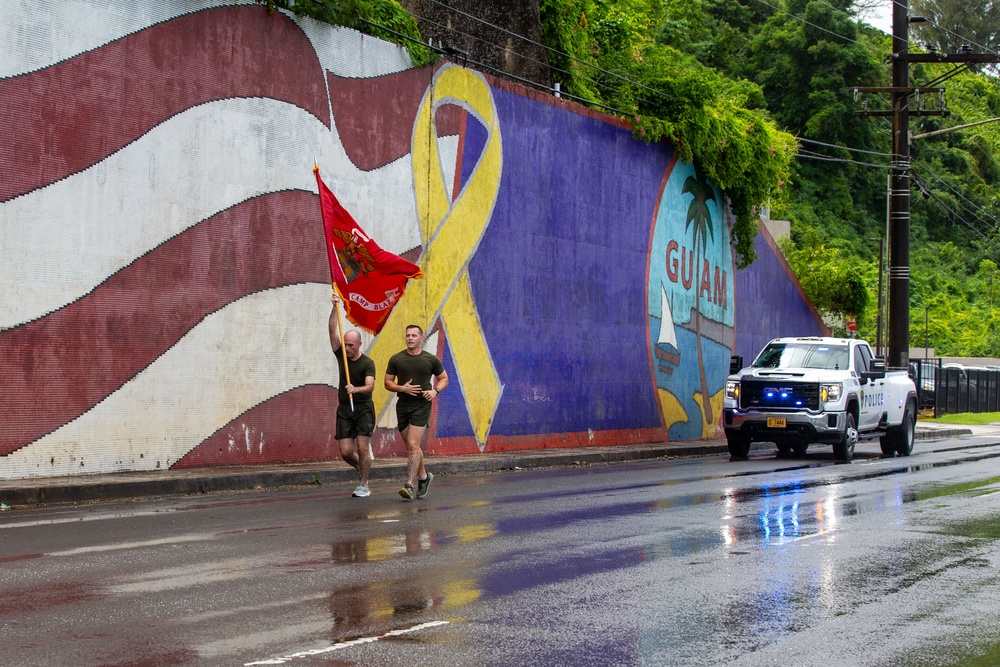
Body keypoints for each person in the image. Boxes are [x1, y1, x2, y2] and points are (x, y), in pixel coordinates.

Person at [384, 324, 449, 500]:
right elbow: (387, 383)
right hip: (403, 405)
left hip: (422, 404)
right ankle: (424, 477)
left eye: (414, 335)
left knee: (413, 444)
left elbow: (444, 378)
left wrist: (435, 391)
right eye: (408, 335)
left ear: (421, 338)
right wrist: (401, 388)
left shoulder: (431, 359)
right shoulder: (396, 359)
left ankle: (409, 484)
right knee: (412, 446)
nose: (410, 338)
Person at [329, 293, 377, 497]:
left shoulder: (367, 363)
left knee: (363, 447)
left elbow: (370, 387)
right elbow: (332, 330)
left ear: (358, 345)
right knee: (346, 451)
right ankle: (363, 468)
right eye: (345, 345)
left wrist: (355, 389)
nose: (346, 348)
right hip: (345, 409)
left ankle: (364, 485)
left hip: (363, 408)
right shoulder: (342, 355)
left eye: (350, 346)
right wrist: (334, 307)